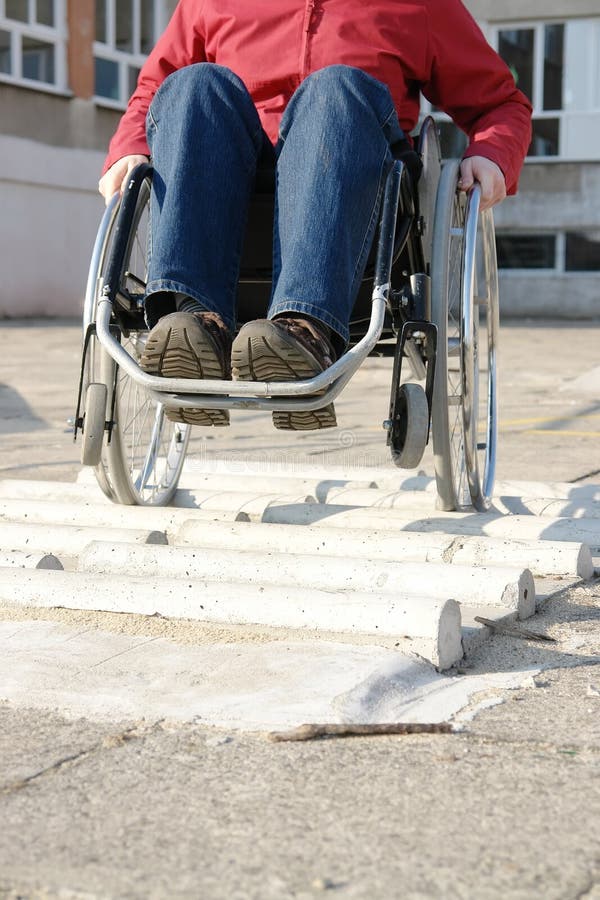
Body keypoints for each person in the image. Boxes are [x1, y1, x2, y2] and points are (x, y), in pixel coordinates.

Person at [99, 0, 532, 430]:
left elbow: (499, 103)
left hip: (356, 193)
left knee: (335, 90)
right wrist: (128, 148)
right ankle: (195, 326)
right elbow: (155, 91)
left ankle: (303, 333)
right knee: (194, 85)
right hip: (230, 183)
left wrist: (492, 155)